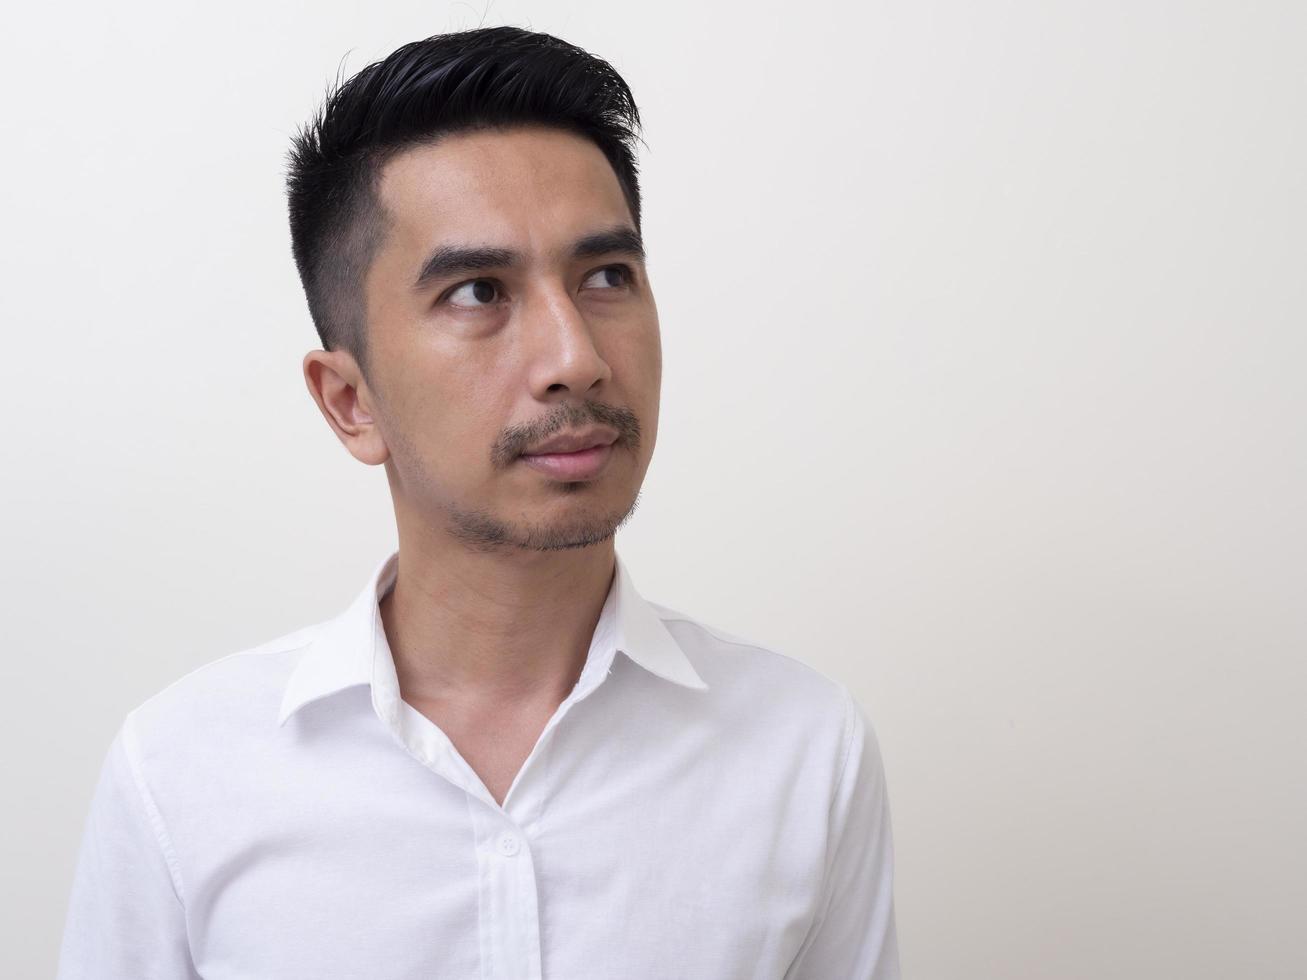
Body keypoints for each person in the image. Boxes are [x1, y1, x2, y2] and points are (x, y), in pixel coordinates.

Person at [56, 25, 899, 979]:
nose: (575, 357)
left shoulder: (800, 749)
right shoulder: (183, 774)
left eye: (607, 276)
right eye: (476, 292)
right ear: (350, 400)